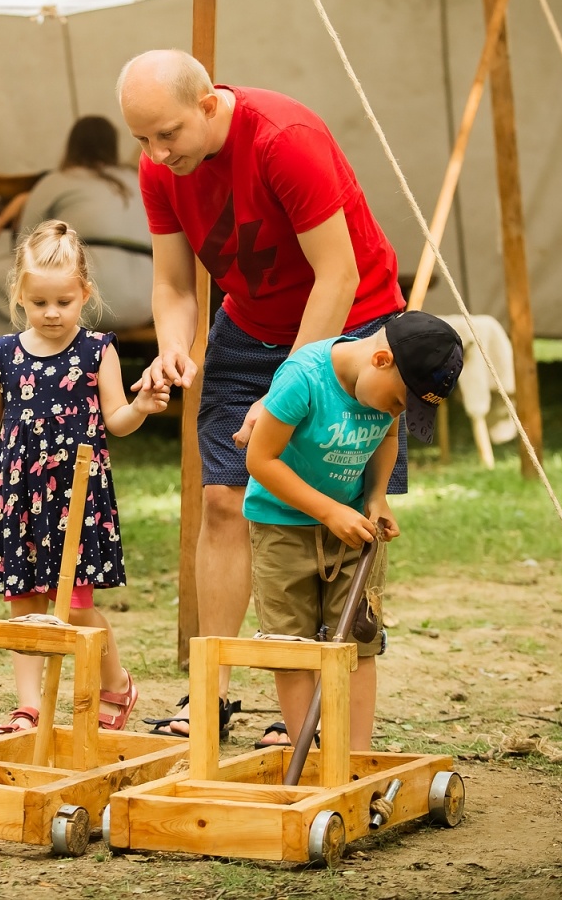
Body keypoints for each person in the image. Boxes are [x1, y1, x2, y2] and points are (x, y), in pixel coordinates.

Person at [116, 49, 406, 739]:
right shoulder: (161, 167)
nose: (156, 153)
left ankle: (307, 715)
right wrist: (173, 347)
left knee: (312, 514)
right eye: (142, 140)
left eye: (168, 135)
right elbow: (175, 286)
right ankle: (208, 697)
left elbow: (335, 276)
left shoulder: (285, 141)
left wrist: (284, 391)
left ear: (210, 105)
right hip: (249, 325)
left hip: (349, 328)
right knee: (222, 499)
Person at [0, 221, 170, 735]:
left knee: (74, 604)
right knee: (24, 603)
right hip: (16, 496)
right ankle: (27, 707)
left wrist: (139, 406)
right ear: (20, 295)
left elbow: (115, 420)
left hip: (75, 498)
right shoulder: (1, 355)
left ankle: (115, 683)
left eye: (64, 302)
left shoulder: (97, 350)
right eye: (40, 302)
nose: (52, 313)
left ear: (85, 294)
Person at [243, 312, 462, 749]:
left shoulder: (383, 391)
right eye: (400, 402)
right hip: (282, 529)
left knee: (359, 643)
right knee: (291, 648)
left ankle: (356, 759)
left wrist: (377, 495)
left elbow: (387, 437)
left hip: (353, 531)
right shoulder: (302, 378)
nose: (396, 413)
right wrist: (328, 512)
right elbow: (259, 460)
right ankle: (308, 757)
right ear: (381, 359)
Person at [0, 115, 152, 339]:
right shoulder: (138, 179)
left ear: (71, 145)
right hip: (145, 300)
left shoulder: (56, 181)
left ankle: (10, 363)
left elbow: (25, 247)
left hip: (91, 298)